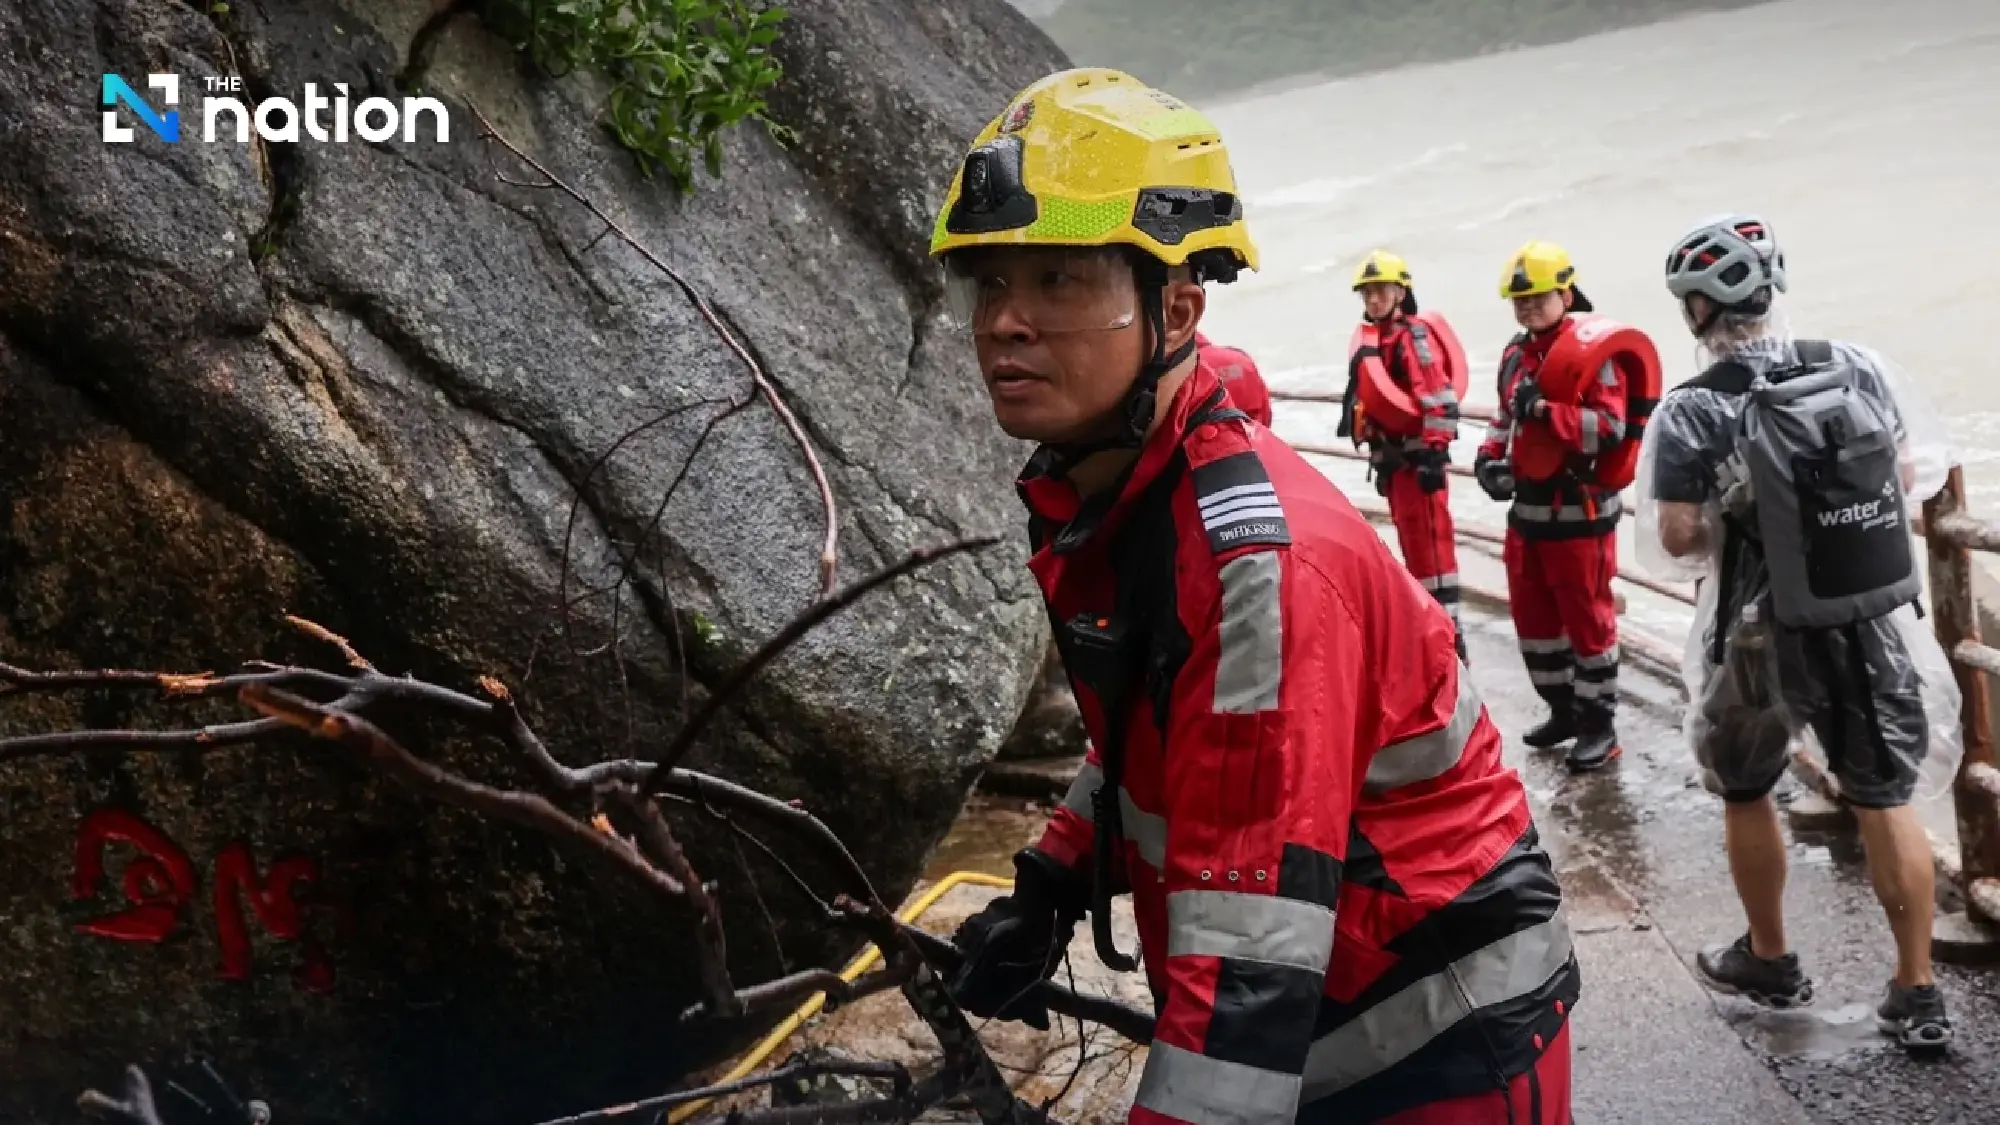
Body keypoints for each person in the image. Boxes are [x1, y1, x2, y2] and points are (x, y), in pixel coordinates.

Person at [932, 66, 1577, 1124]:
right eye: (989, 283)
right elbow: (1160, 732)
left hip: (1429, 1038)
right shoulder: (1124, 494)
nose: (1005, 321)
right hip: (1336, 1010)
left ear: (1176, 306)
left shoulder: (1255, 565)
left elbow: (1250, 951)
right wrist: (1049, 884)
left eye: (1058, 280)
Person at [1639, 213, 1958, 1051]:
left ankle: (1771, 956)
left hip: (1755, 631)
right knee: (1885, 795)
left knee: (1745, 786)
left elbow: (1675, 539)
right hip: (1866, 616)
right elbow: (1908, 472)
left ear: (1699, 310)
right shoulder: (1850, 364)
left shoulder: (1691, 411)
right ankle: (1916, 989)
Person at [1473, 241, 1625, 772]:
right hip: (1529, 514)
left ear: (1565, 292)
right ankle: (1563, 711)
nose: (1527, 308)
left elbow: (1608, 428)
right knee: (1534, 622)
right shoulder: (1516, 355)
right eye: (1519, 301)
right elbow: (1502, 418)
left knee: (1588, 624)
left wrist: (1543, 410)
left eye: (1537, 298)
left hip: (1578, 513)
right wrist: (1488, 458)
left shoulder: (1591, 354)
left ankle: (1598, 727)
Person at [1339, 250, 1466, 658]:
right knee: (1416, 556)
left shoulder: (1412, 338)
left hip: (1419, 468)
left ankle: (1448, 643)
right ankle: (1431, 638)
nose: (1374, 300)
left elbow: (1440, 400)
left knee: (1434, 560)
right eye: (1368, 293)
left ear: (1400, 292)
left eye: (1381, 291)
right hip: (1396, 469)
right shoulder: (1380, 342)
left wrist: (1433, 455)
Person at [1197, 332, 1272, 427]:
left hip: (1211, 436)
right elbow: (1264, 405)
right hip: (1251, 433)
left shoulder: (1190, 366)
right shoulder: (1241, 356)